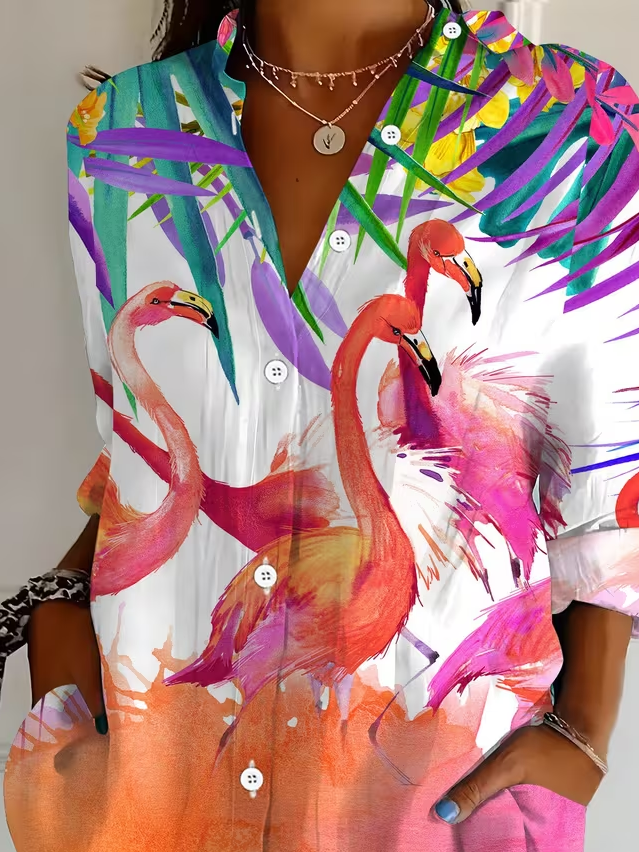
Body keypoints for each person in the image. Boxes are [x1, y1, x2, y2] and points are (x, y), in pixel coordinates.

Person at [6, 0, 639, 850]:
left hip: (428, 809)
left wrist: (585, 732)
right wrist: (54, 617)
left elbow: (609, 479)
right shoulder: (121, 133)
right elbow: (131, 440)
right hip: (151, 799)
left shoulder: (563, 128)